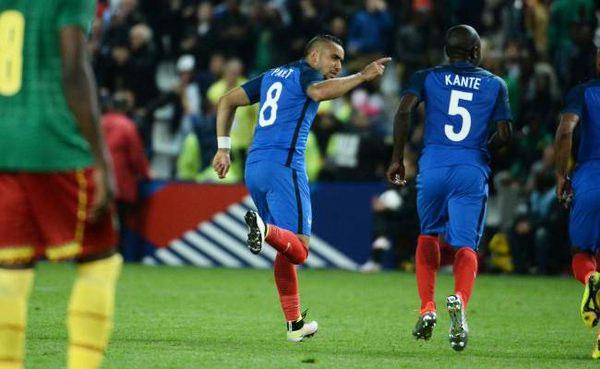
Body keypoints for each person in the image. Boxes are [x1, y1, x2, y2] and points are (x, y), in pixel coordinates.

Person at [212, 34, 390, 342]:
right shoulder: (308, 74)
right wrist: (362, 76)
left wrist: (223, 149)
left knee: (285, 247)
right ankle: (264, 230)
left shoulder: (272, 75)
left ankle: (294, 324)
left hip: (255, 167)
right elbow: (318, 93)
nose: (338, 65)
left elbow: (227, 100)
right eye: (334, 57)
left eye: (342, 60)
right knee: (300, 248)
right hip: (284, 166)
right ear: (315, 56)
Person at [0, 1, 121, 368]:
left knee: (10, 269)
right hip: (56, 142)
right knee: (99, 259)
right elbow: (73, 66)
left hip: (5, 146)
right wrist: (100, 157)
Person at [386, 25, 512, 351]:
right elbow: (506, 133)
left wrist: (398, 159)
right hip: (470, 168)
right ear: (475, 52)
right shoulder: (495, 84)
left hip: (433, 166)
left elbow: (403, 111)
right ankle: (458, 300)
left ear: (447, 51)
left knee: (428, 235)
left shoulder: (427, 76)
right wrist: (484, 147)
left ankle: (427, 307)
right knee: (465, 245)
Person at [555, 47, 600, 359]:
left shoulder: (583, 92)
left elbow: (565, 131)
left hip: (591, 177)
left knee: (581, 253)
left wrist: (561, 175)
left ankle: (590, 278)